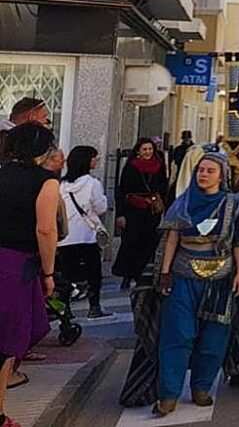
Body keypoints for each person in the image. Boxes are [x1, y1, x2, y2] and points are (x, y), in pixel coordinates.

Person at [153, 148, 239, 415]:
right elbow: (172, 238)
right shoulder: (182, 202)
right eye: (201, 170)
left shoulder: (235, 205)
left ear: (222, 175)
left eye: (210, 171)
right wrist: (164, 272)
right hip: (184, 276)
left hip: (221, 278)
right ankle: (169, 394)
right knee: (178, 334)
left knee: (214, 337)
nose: (204, 175)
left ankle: (202, 387)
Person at [0, 123, 61, 424]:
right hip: (14, 265)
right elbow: (46, 229)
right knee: (5, 343)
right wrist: (48, 273)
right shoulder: (46, 182)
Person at [58, 146, 112, 319]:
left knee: (67, 274)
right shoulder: (92, 183)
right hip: (88, 235)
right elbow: (101, 207)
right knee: (93, 273)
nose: (96, 161)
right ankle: (94, 306)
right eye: (95, 158)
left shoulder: (62, 185)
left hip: (66, 236)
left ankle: (64, 308)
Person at [113, 137, 168, 289]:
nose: (148, 152)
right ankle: (127, 274)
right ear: (138, 151)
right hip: (133, 210)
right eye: (145, 149)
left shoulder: (159, 166)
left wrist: (160, 201)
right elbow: (122, 190)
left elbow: (163, 186)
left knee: (148, 243)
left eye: (150, 149)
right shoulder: (131, 167)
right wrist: (120, 213)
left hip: (151, 211)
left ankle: (140, 275)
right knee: (131, 242)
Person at [167, 130, 194, 202]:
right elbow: (175, 163)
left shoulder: (194, 150)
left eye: (188, 138)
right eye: (185, 139)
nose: (186, 140)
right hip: (179, 174)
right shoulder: (178, 149)